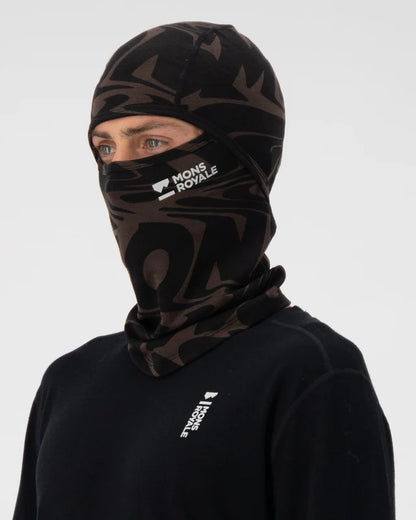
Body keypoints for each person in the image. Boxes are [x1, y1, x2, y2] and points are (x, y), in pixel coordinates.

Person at [12, 21, 395, 519]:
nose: (120, 174)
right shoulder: (68, 383)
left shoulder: (310, 374)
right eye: (105, 149)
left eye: (151, 143)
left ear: (233, 157)